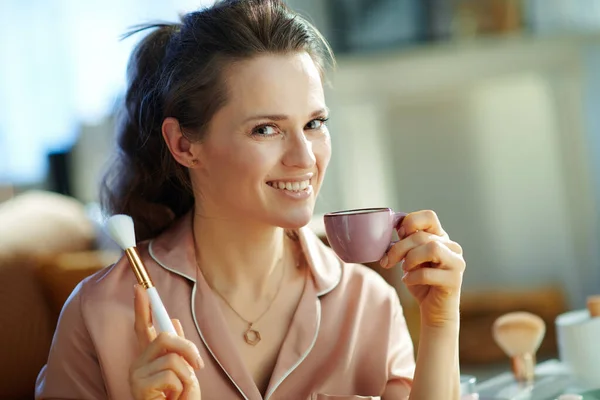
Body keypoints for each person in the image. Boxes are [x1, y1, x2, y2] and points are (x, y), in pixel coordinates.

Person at [35, 0, 466, 399]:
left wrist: (442, 322)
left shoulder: (366, 303)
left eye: (315, 123)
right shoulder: (99, 314)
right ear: (184, 144)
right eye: (266, 129)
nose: (304, 158)